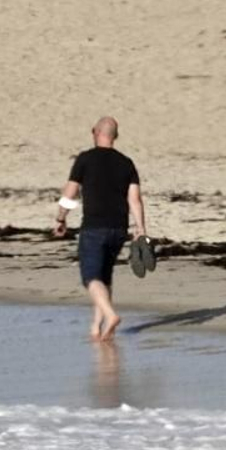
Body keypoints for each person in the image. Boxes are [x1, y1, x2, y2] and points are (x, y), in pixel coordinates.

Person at [54, 117, 148, 341]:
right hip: (118, 228)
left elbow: (70, 193)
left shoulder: (85, 159)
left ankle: (110, 315)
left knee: (90, 277)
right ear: (115, 136)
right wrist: (140, 228)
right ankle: (97, 328)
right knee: (105, 277)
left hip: (94, 227)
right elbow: (135, 199)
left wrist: (60, 218)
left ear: (94, 132)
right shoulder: (126, 163)